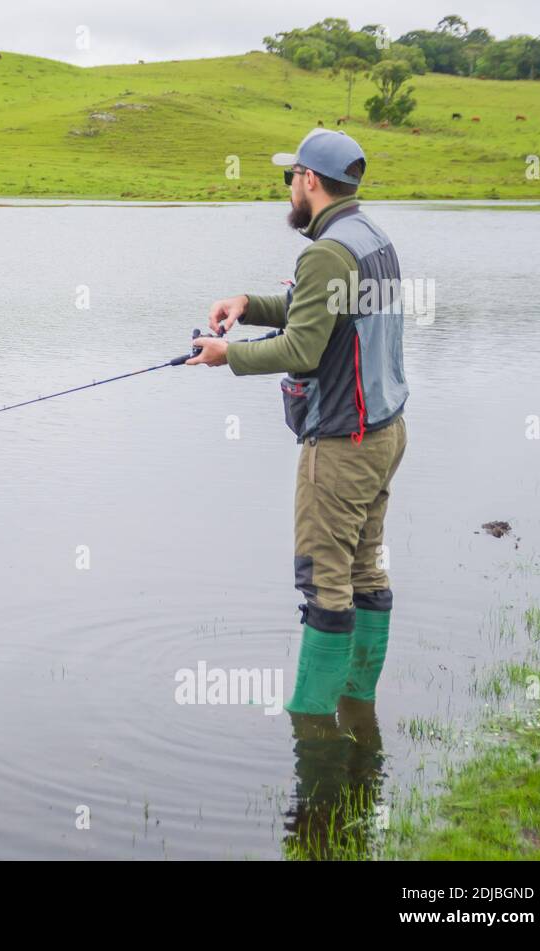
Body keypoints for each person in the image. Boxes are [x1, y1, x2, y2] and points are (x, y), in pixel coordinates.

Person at [187, 129, 409, 717]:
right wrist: (247, 304)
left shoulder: (327, 250)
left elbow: (303, 349)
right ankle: (357, 704)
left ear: (310, 180)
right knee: (366, 568)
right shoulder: (369, 238)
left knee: (325, 583)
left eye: (292, 176)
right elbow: (316, 309)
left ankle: (313, 727)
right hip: (385, 432)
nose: (288, 187)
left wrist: (225, 354)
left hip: (341, 442)